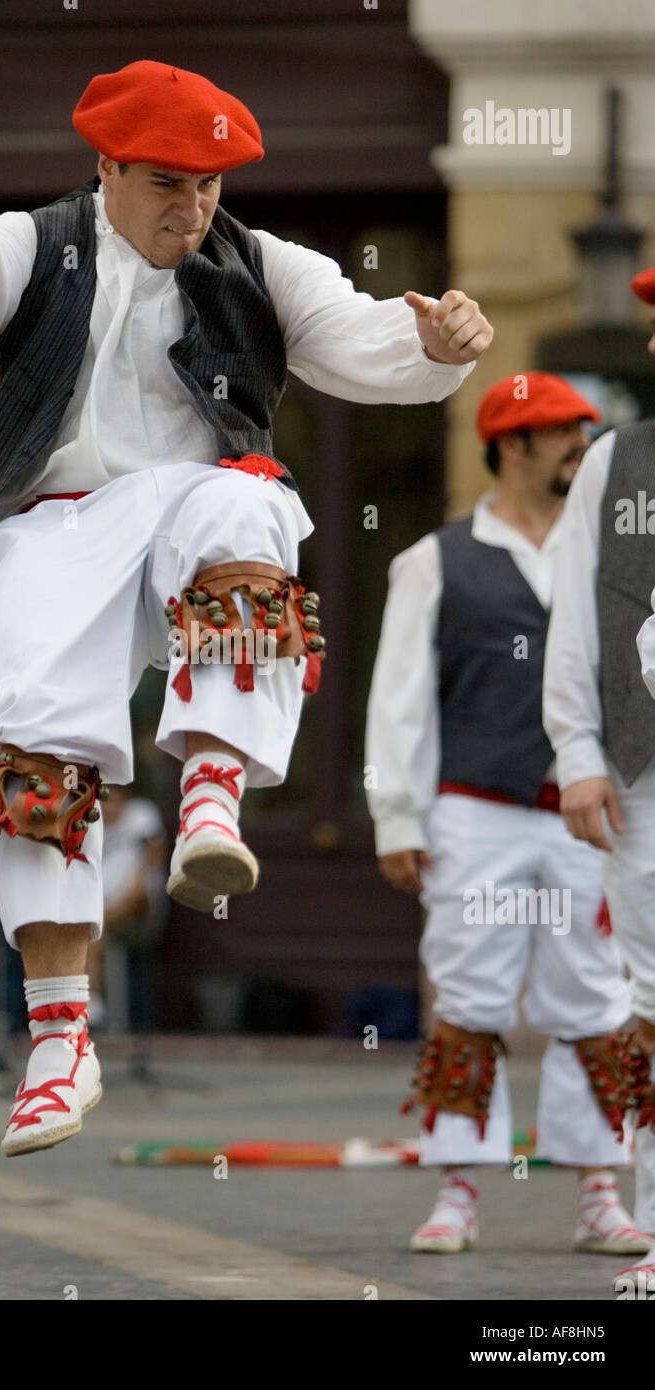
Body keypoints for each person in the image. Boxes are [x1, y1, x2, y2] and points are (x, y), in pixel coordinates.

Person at [0, 59, 493, 1159]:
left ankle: (212, 789)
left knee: (246, 501)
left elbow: (360, 336)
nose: (193, 205)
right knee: (33, 748)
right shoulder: (39, 242)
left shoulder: (257, 261)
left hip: (180, 512)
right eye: (168, 180)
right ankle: (60, 1044)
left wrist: (431, 346)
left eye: (210, 183)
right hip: (52, 529)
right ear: (107, 166)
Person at [366, 373, 648, 1257]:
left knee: (596, 997)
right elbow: (400, 700)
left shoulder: (609, 546)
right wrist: (399, 817)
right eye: (565, 432)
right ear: (512, 443)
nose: (583, 445)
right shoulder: (435, 560)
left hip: (590, 810)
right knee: (468, 993)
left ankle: (601, 1189)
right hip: (476, 812)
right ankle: (457, 1190)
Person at [547, 265, 655, 1283]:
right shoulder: (611, 464)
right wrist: (576, 750)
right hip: (640, 765)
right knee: (650, 996)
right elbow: (575, 619)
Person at [90, 784, 166, 1030]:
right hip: (100, 911)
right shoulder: (91, 821)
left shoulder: (142, 814)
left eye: (114, 800)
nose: (109, 807)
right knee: (84, 932)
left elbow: (153, 862)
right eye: (105, 800)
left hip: (140, 911)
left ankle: (92, 1007)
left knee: (90, 932)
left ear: (126, 799)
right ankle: (89, 1006)